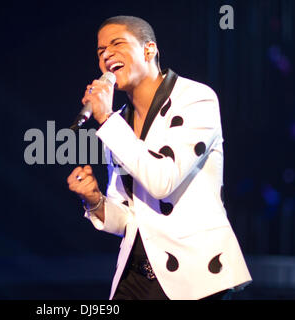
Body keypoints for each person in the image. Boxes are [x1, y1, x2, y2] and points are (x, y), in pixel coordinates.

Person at [67, 16, 252, 300]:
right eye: (100, 51)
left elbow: (162, 181)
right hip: (135, 278)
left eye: (117, 44)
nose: (106, 54)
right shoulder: (118, 124)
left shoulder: (196, 99)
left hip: (194, 278)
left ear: (149, 50)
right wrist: (95, 201)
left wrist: (105, 120)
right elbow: (129, 219)